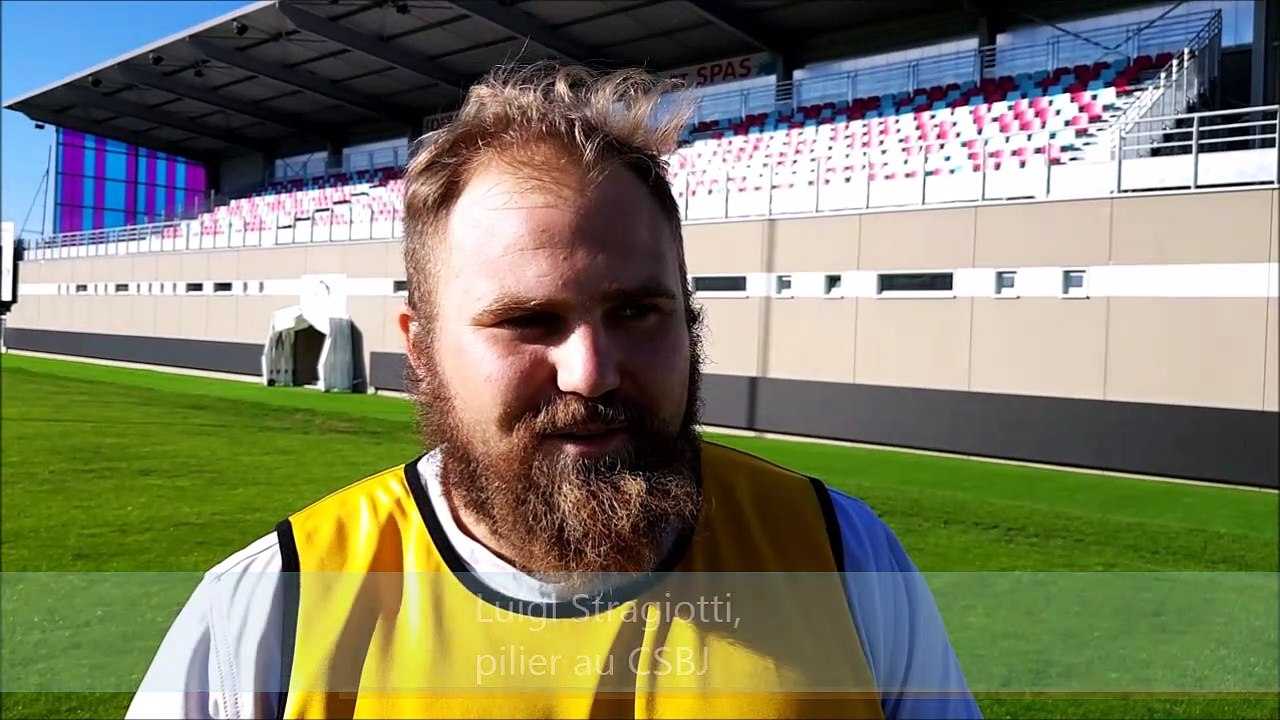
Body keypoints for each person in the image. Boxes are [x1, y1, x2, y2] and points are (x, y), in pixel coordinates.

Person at [125, 61, 981, 720]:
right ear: (419, 352)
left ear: (690, 319)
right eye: (528, 322)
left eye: (638, 312)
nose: (591, 372)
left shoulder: (843, 558)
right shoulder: (276, 605)